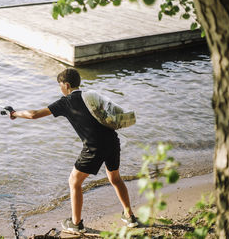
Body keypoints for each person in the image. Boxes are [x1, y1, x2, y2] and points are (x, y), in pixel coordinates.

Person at [8, 68, 138, 232]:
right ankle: (129, 216)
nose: (60, 89)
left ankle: (76, 224)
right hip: (112, 141)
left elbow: (34, 114)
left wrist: (14, 113)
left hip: (94, 146)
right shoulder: (89, 97)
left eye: (60, 85)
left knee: (74, 181)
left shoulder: (66, 102)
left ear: (66, 85)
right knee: (115, 179)